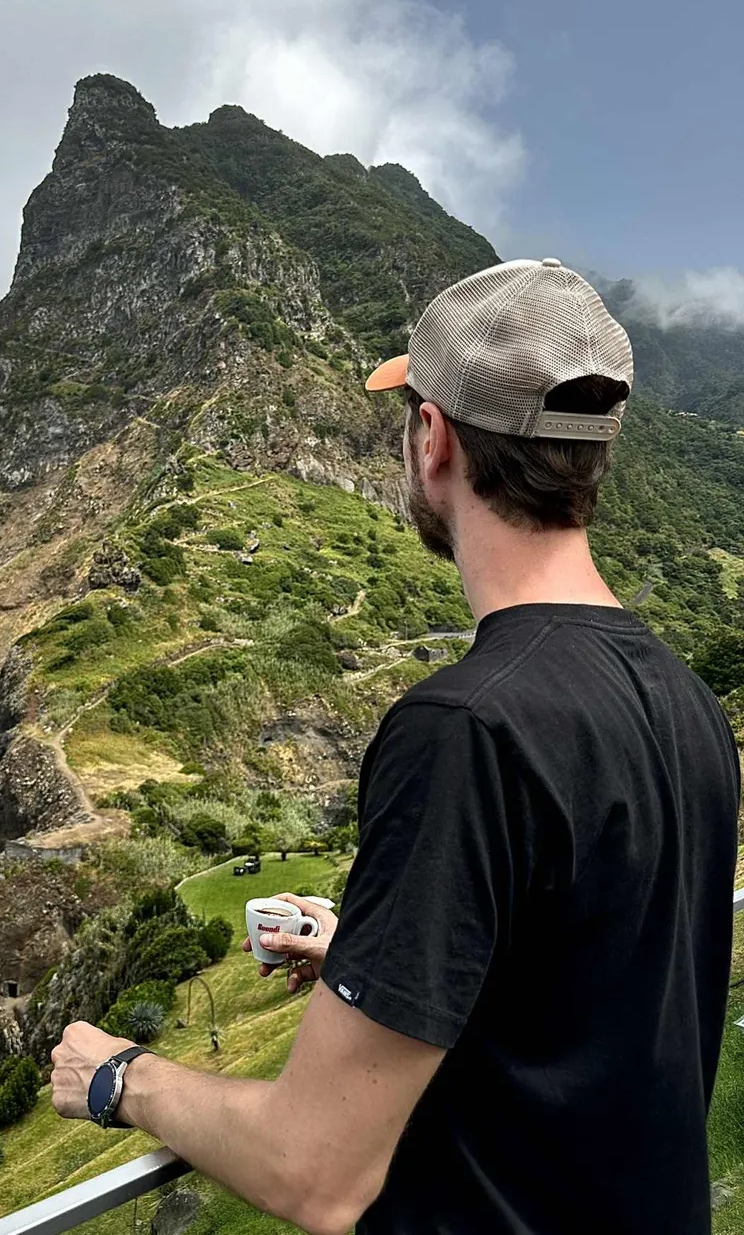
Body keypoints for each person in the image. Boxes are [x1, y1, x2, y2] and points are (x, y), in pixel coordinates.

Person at [52, 258, 740, 1234]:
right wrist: (374, 956)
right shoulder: (685, 699)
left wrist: (119, 1076)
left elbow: (314, 1172)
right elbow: (588, 986)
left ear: (433, 438)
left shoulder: (464, 729)